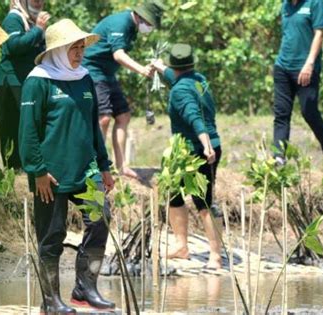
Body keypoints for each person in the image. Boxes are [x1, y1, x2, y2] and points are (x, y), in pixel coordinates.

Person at [19, 19, 115, 313]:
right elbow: (28, 131)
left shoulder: (85, 77)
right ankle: (50, 301)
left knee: (101, 219)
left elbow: (92, 126)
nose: (79, 53)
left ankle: (85, 288)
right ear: (58, 50)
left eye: (81, 47)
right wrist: (37, 171)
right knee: (52, 237)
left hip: (86, 170)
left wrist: (104, 164)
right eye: (74, 48)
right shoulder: (38, 80)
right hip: (51, 174)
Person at [153, 44, 223, 269]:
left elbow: (194, 117)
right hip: (190, 150)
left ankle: (215, 256)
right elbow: (175, 76)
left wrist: (205, 145)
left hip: (197, 150)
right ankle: (181, 246)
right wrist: (159, 67)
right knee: (174, 194)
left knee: (203, 202)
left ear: (175, 65)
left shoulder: (180, 91)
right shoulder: (198, 79)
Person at [82, 0, 165, 179]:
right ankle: (96, 165)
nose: (150, 27)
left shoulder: (133, 28)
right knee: (103, 118)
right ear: (141, 16)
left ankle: (121, 166)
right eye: (150, 23)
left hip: (108, 74)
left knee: (123, 116)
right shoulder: (121, 23)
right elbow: (118, 55)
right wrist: (141, 69)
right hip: (93, 70)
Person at [273, 0, 323, 164]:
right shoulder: (285, 4)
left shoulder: (315, 3)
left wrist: (309, 64)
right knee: (281, 114)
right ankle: (279, 157)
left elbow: (319, 34)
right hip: (283, 66)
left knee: (309, 111)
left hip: (306, 68)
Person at [0, 0, 50, 169]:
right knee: (13, 125)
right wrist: (39, 30)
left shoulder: (31, 22)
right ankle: (12, 167)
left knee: (28, 122)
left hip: (26, 80)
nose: (39, 3)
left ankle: (28, 163)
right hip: (11, 81)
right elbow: (14, 46)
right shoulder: (13, 19)